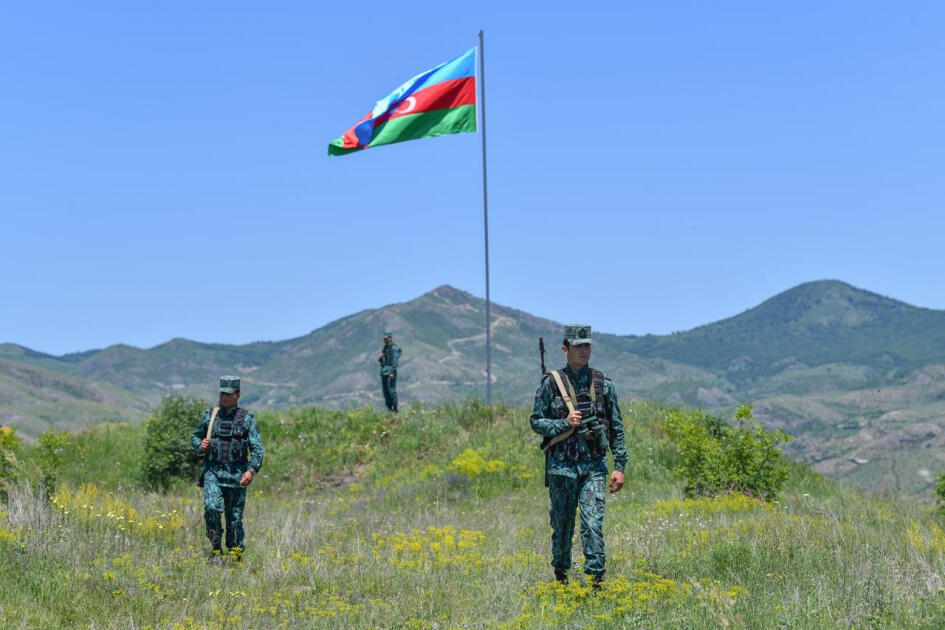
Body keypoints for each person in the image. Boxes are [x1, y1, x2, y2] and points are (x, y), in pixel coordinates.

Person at [530, 325, 628, 587]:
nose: (584, 350)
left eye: (587, 346)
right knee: (562, 528)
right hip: (561, 468)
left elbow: (616, 426)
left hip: (593, 467)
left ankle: (596, 581)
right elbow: (536, 421)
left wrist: (619, 465)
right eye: (578, 346)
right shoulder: (551, 383)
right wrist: (564, 423)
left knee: (592, 523)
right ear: (565, 350)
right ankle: (561, 579)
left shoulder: (603, 384)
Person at [192, 375, 264, 557]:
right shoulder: (210, 415)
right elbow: (195, 436)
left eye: (228, 394)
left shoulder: (247, 419)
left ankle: (235, 554)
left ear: (237, 395)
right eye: (222, 393)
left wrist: (251, 470)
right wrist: (200, 446)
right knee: (211, 507)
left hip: (237, 475)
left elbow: (257, 448)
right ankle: (216, 547)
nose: (223, 397)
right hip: (213, 472)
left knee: (234, 519)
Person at [377, 331, 401, 412]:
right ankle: (389, 408)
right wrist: (380, 358)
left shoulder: (394, 348)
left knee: (391, 390)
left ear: (390, 338)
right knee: (385, 391)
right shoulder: (385, 348)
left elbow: (395, 362)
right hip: (384, 371)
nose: (385, 339)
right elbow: (383, 361)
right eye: (384, 338)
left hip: (390, 372)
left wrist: (392, 372)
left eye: (386, 338)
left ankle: (395, 408)